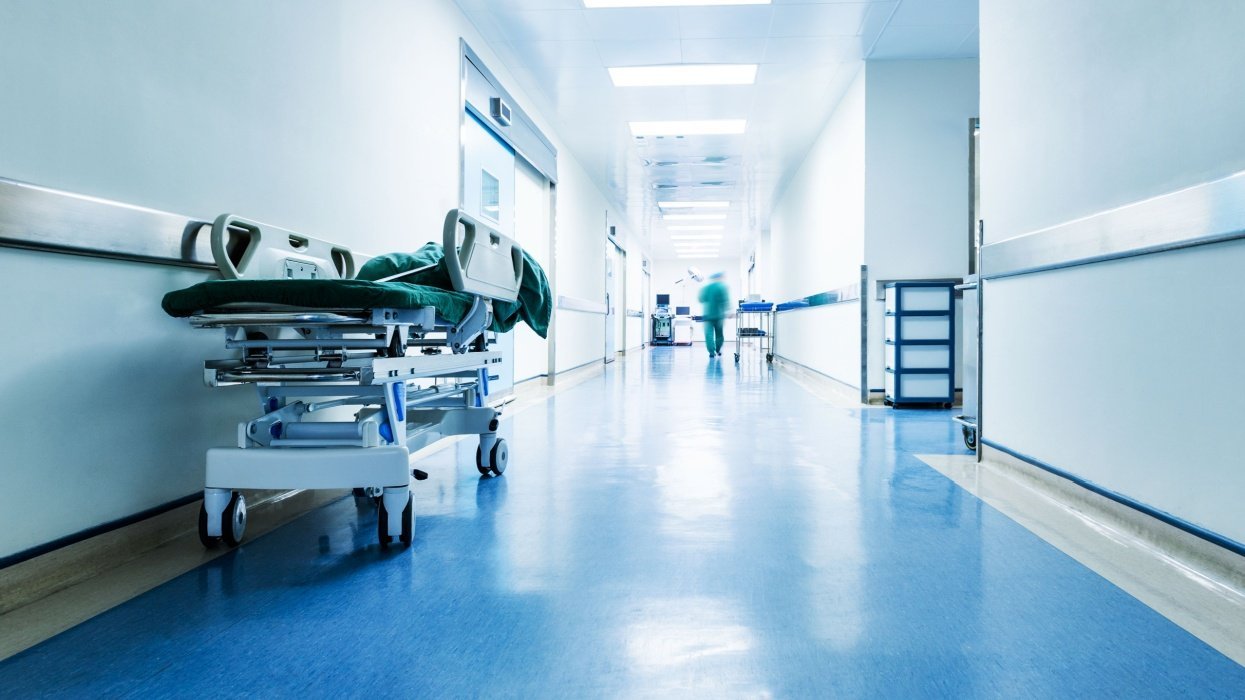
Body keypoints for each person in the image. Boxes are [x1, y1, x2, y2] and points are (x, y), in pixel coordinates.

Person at [697, 272, 730, 358]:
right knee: (719, 334)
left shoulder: (706, 288)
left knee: (709, 335)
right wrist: (728, 311)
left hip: (707, 315)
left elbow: (700, 299)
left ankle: (712, 352)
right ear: (719, 278)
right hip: (719, 315)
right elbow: (726, 301)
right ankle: (718, 350)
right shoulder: (722, 287)